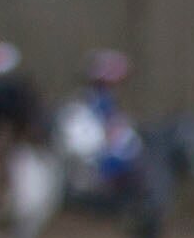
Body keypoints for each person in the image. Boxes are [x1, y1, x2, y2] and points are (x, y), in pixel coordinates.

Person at [53, 49, 147, 199]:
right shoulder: (79, 107)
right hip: (90, 164)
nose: (113, 87)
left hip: (112, 162)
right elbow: (79, 142)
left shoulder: (109, 105)